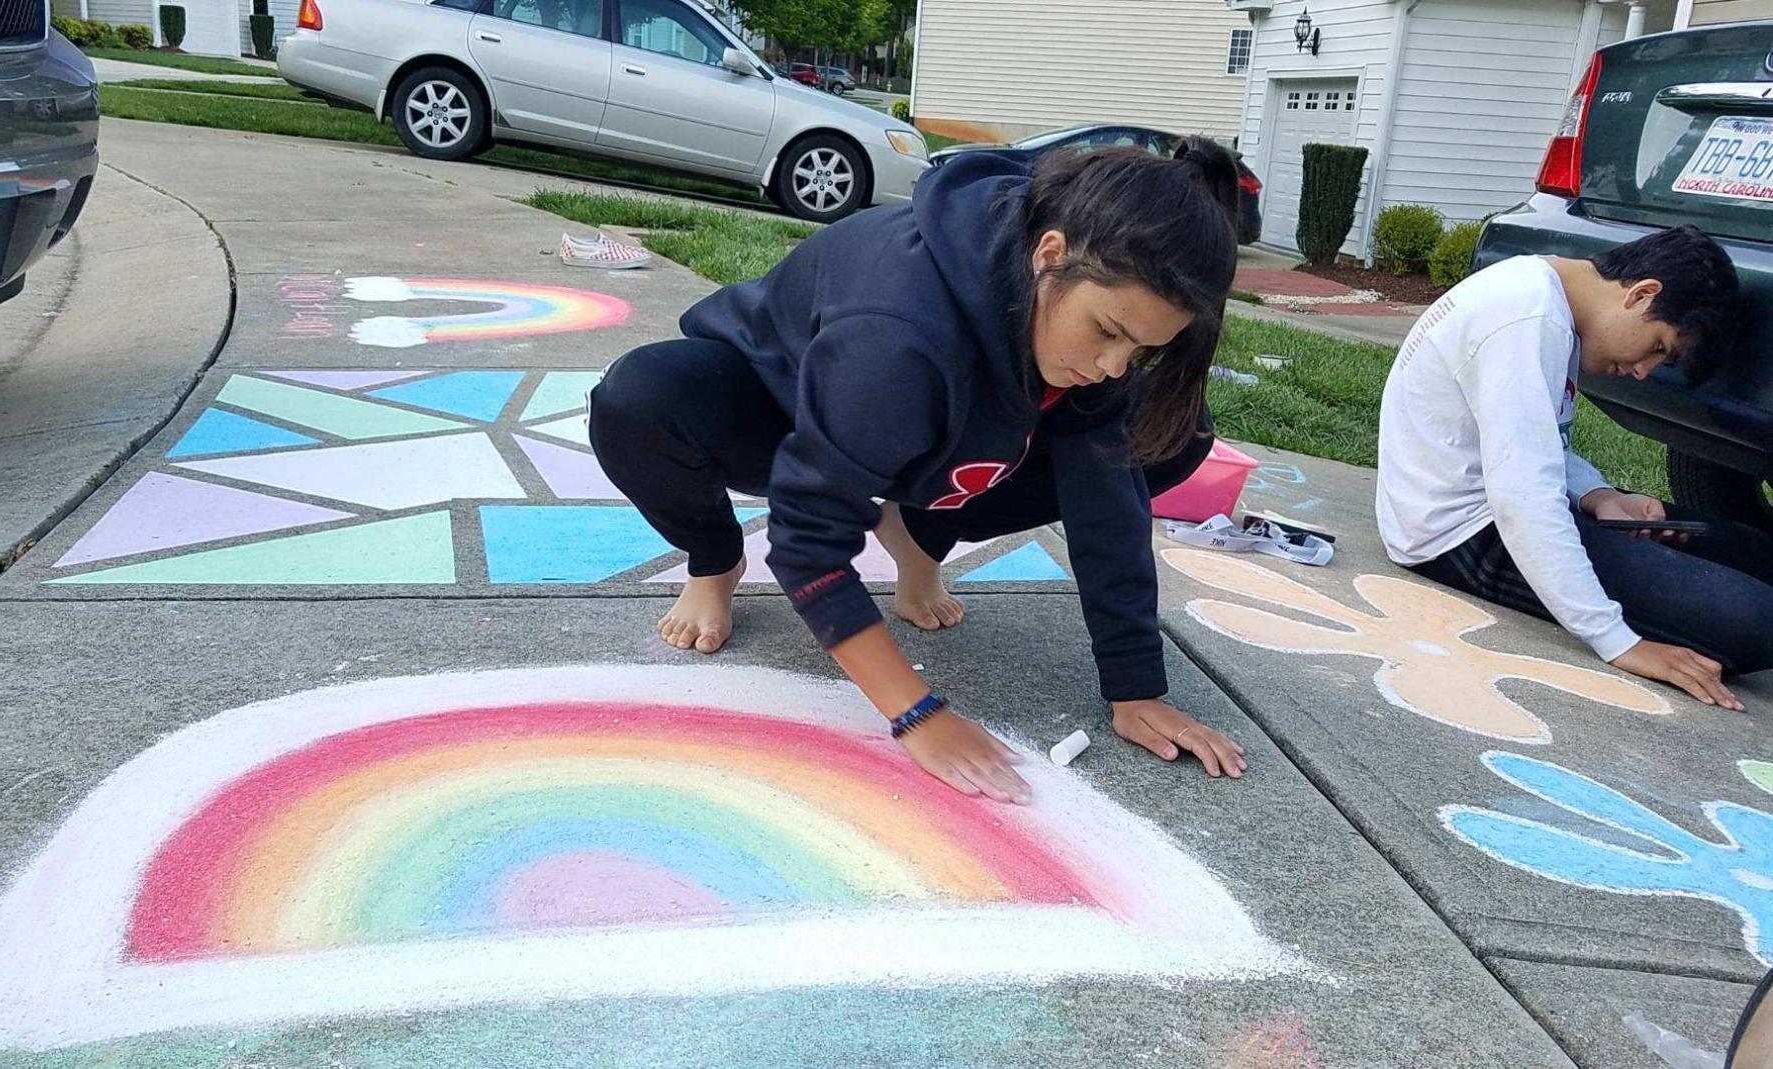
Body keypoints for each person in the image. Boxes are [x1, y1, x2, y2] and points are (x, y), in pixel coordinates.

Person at [589, 143, 1250, 803]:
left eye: (1140, 349)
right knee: (639, 399)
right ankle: (713, 562)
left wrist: (1135, 688)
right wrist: (917, 714)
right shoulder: (898, 331)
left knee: (1173, 439)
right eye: (1108, 332)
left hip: (925, 423)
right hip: (778, 410)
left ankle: (916, 532)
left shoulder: (1085, 316)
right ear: (1050, 254)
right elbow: (805, 541)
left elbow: (1108, 502)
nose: (1113, 363)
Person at [1376, 226, 1771, 710]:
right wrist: (1619, 642)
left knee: (1751, 550)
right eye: (1659, 347)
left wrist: (1599, 497)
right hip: (1461, 534)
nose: (1645, 369)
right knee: (1755, 624)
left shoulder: (1543, 296)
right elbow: (1523, 498)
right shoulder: (1527, 316)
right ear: (1642, 294)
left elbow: (1538, 449)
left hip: (1501, 505)